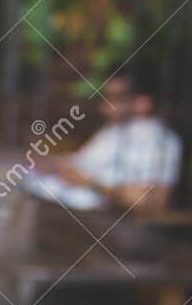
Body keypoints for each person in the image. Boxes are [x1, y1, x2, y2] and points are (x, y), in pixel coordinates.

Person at [54, 62, 183, 211]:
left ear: (143, 103)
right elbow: (78, 163)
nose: (105, 106)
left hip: (103, 221)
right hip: (66, 205)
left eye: (115, 98)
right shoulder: (112, 132)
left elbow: (152, 201)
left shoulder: (160, 141)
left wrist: (89, 183)